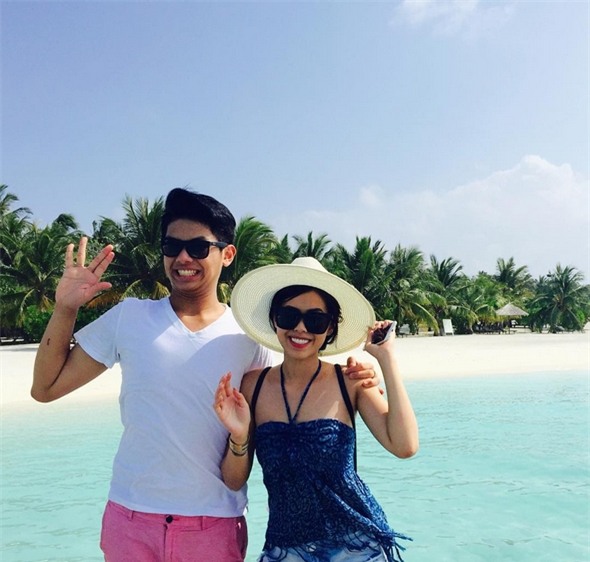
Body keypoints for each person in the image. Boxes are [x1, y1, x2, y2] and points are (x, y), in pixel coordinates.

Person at [31, 188, 377, 562]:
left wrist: (362, 374)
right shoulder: (129, 317)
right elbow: (45, 388)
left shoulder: (249, 338)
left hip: (213, 525)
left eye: (198, 247)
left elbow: (291, 397)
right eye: (172, 246)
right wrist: (65, 308)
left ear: (227, 254)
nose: (183, 258)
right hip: (130, 519)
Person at [214, 257, 419, 562]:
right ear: (274, 319)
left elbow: (405, 446)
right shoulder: (253, 386)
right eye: (289, 316)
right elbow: (233, 481)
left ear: (330, 327)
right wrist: (239, 436)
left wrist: (386, 360)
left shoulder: (350, 381)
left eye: (315, 320)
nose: (300, 328)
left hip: (356, 546)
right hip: (285, 547)